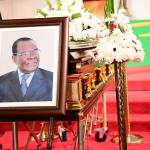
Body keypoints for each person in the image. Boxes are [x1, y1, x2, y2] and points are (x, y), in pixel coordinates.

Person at [0, 37, 53, 102]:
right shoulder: (2, 82)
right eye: (25, 53)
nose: (32, 56)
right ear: (14, 59)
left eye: (35, 51)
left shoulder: (53, 79)